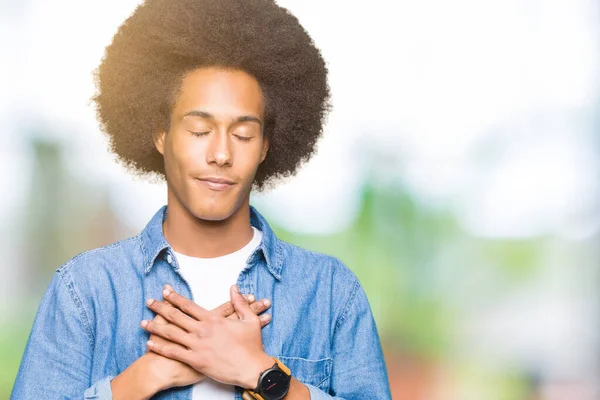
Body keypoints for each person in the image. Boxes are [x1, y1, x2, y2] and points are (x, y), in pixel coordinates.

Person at [11, 0, 392, 399]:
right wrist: (146, 377)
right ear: (161, 134)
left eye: (243, 135)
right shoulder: (86, 291)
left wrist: (263, 375)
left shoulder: (329, 293)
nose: (221, 154)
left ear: (264, 147)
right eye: (198, 130)